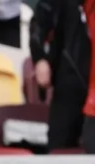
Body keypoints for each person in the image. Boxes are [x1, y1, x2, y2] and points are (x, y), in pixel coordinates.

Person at [30, 0, 94, 153]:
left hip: (92, 88)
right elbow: (39, 21)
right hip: (69, 78)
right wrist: (40, 58)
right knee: (59, 146)